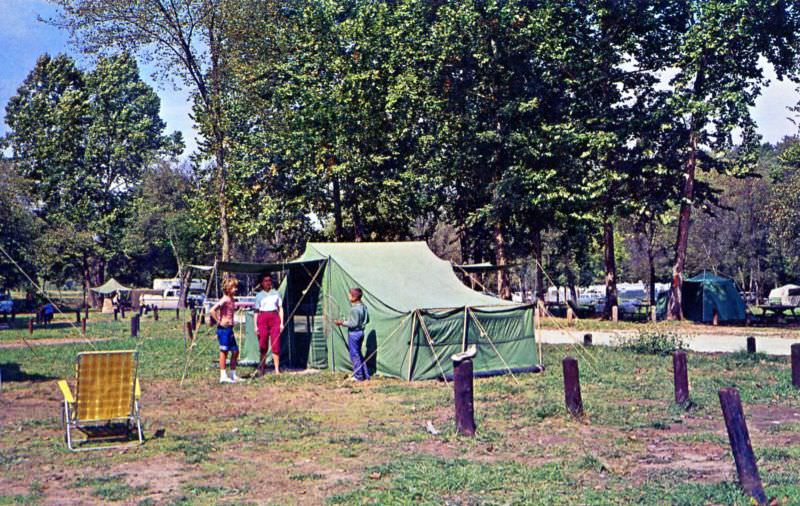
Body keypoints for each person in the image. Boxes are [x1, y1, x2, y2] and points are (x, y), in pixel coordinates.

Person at [335, 288, 370, 381]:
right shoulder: (364, 307)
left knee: (354, 355)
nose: (349, 297)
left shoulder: (354, 309)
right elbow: (367, 320)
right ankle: (365, 375)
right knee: (359, 354)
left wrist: (342, 322)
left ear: (354, 297)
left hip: (354, 334)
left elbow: (353, 324)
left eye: (350, 295)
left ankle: (358, 376)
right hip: (361, 333)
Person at [210, 277, 240, 384]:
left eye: (236, 287)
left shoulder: (232, 299)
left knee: (235, 351)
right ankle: (223, 376)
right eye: (233, 287)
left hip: (230, 329)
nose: (235, 289)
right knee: (224, 351)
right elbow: (212, 310)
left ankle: (233, 374)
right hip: (223, 329)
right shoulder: (225, 299)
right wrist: (219, 321)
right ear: (227, 289)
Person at [253, 273, 284, 377]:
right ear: (262, 283)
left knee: (276, 344)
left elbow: (280, 309)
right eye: (265, 281)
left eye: (269, 280)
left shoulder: (276, 293)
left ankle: (276, 369)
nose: (268, 283)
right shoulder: (259, 295)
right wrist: (255, 326)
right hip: (263, 319)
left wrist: (281, 323)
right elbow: (256, 312)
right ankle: (262, 369)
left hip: (274, 318)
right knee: (263, 344)